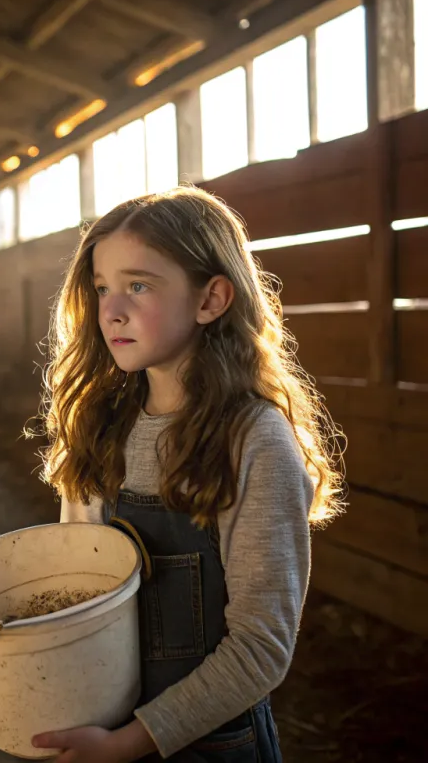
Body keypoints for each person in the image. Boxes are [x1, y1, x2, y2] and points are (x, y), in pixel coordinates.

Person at [29, 187, 344, 762]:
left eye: (138, 285)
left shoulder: (254, 439)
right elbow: (80, 586)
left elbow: (260, 649)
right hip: (104, 723)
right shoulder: (100, 428)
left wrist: (127, 744)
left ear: (211, 299)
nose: (111, 310)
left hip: (212, 744)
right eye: (102, 288)